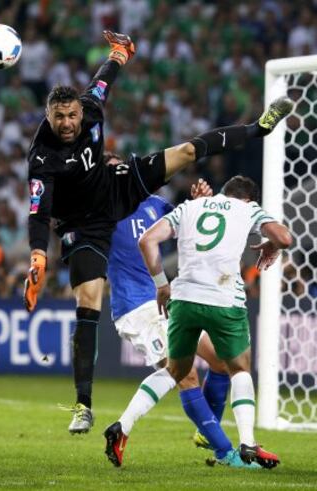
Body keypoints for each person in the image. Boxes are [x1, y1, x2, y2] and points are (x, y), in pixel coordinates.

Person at [23, 26, 293, 434]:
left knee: (186, 150)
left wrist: (120, 54)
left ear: (80, 112)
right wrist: (38, 253)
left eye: (71, 115)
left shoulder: (91, 108)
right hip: (84, 224)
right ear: (47, 116)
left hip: (117, 185)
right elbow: (38, 212)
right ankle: (83, 405)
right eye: (58, 116)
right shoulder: (42, 157)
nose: (66, 122)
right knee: (89, 301)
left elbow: (101, 82)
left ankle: (260, 127)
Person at [104, 175, 292, 469]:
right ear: (247, 199)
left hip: (182, 300)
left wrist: (162, 285)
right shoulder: (247, 209)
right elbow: (285, 238)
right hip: (221, 299)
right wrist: (271, 245)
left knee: (193, 367)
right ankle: (244, 446)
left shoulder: (188, 208)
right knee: (237, 368)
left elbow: (147, 239)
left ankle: (127, 427)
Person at [106, 162, 236, 466]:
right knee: (185, 373)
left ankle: (202, 432)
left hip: (168, 300)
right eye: (111, 172)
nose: (119, 175)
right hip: (135, 307)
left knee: (220, 360)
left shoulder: (157, 205)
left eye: (121, 169)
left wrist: (199, 203)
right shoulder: (104, 212)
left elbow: (191, 228)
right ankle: (225, 451)